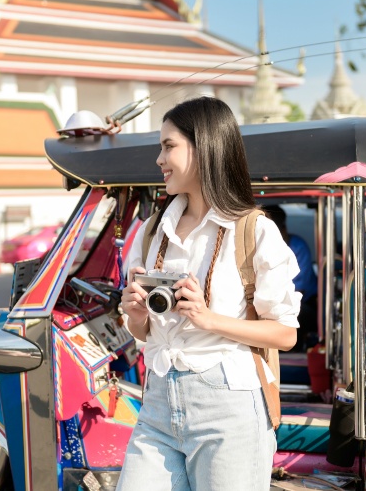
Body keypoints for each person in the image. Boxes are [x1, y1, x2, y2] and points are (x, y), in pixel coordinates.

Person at [117, 97, 301, 491]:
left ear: (204, 147)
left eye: (169, 146)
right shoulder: (152, 231)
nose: (159, 159)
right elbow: (144, 331)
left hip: (228, 406)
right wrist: (135, 315)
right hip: (158, 401)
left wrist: (207, 318)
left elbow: (286, 334)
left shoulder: (254, 230)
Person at [261, 205, 318, 351]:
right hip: (266, 305)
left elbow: (299, 290)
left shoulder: (297, 246)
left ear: (283, 229)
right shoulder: (258, 247)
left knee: (297, 315)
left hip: (302, 303)